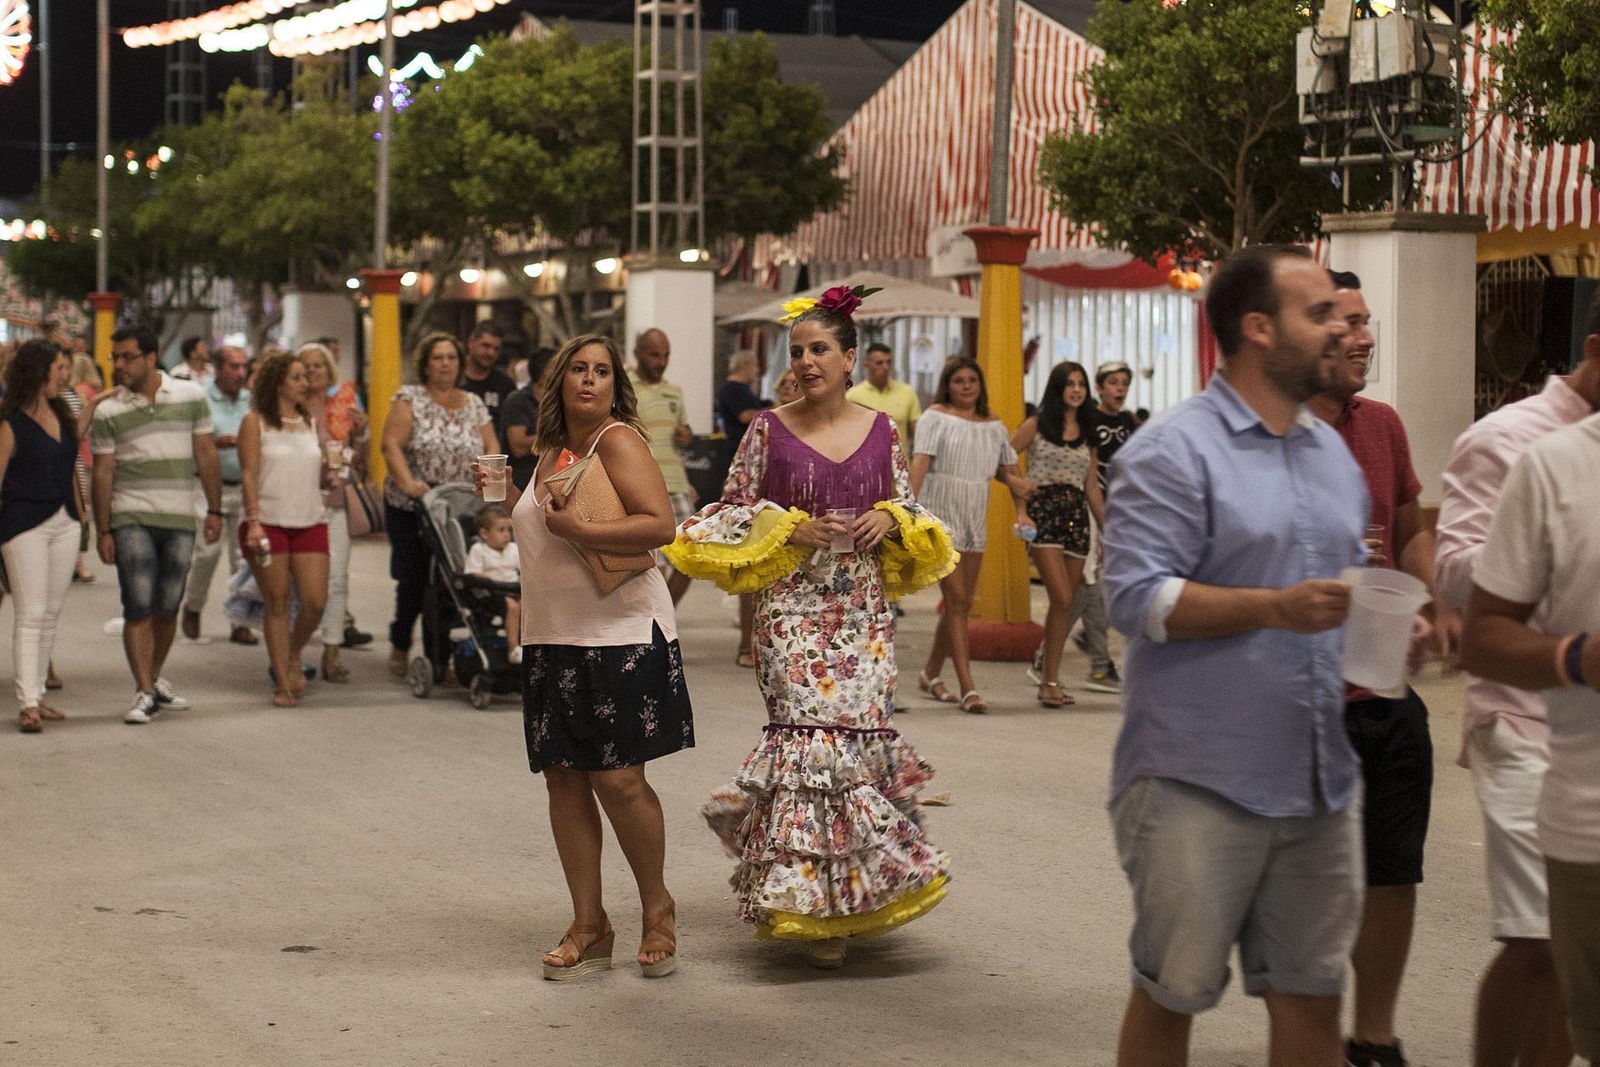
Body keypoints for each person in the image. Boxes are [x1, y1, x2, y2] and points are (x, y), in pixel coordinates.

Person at [1102, 245, 1371, 1066]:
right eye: (1319, 314)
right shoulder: (1173, 449)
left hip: (1319, 778)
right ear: (1258, 328)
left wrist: (1400, 631)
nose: (1341, 330)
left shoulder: (1331, 452)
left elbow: (1341, 593)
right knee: (1172, 992)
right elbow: (1135, 598)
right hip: (1198, 777)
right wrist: (1274, 608)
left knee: (1314, 997)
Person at [665, 285, 955, 969]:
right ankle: (814, 911)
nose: (805, 362)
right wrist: (791, 527)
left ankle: (849, 897)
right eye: (797, 352)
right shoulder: (767, 428)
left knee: (851, 751)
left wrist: (890, 515)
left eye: (819, 349)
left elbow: (911, 506)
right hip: (790, 612)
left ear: (850, 358)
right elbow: (725, 513)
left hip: (862, 612)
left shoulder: (883, 430)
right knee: (808, 746)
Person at [475, 334, 692, 981]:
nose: (590, 379)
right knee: (564, 778)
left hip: (621, 631)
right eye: (578, 369)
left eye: (601, 370)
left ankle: (657, 908)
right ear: (558, 381)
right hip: (552, 634)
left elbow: (660, 525)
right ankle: (589, 923)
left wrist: (581, 529)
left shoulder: (618, 441)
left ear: (614, 384)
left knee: (619, 780)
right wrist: (501, 497)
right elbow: (541, 532)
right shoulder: (548, 450)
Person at [1436, 298, 1600, 1067]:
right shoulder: (1512, 440)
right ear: (1593, 349)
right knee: (1539, 939)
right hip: (1521, 716)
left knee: (1561, 952)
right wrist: (1535, 549)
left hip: (1569, 711)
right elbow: (1455, 571)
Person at [1307, 271, 1437, 1067]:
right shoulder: (1271, 433)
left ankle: (1375, 1036)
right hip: (1299, 700)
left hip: (1383, 688)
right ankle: (1309, 1034)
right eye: (1348, 322)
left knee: (1393, 872)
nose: (1365, 338)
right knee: (1312, 884)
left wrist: (1427, 599)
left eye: (1367, 322)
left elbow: (1411, 521)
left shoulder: (1382, 424)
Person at [91, 327, 223, 725]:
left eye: (126, 357)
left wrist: (215, 509)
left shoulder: (190, 396)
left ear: (151, 358)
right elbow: (103, 472)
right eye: (115, 357)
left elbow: (206, 453)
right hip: (130, 515)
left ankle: (152, 678)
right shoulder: (108, 410)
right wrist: (103, 529)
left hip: (179, 515)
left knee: (168, 606)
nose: (118, 365)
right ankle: (144, 689)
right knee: (137, 604)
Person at [911, 356, 1033, 714]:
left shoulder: (994, 426)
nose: (966, 386)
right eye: (958, 380)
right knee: (958, 598)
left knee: (960, 603)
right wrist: (906, 508)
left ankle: (931, 673)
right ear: (947, 385)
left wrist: (1021, 508)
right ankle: (968, 687)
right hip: (940, 514)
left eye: (972, 380)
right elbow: (921, 462)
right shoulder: (935, 416)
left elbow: (1008, 470)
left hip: (973, 516)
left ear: (980, 386)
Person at [381, 333, 496, 677]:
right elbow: (391, 445)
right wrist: (408, 484)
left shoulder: (474, 403)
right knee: (414, 579)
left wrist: (489, 483)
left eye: (451, 357)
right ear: (426, 365)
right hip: (413, 504)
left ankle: (440, 654)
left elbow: (491, 447)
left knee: (451, 581)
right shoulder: (409, 399)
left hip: (458, 506)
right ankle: (401, 642)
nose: (446, 364)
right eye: (438, 358)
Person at [238, 351, 330, 707]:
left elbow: (317, 468)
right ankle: (282, 682)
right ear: (277, 384)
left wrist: (331, 473)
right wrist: (253, 520)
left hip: (310, 517)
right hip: (268, 520)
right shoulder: (255, 422)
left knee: (315, 602)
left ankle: (292, 652)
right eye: (297, 377)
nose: (306, 383)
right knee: (277, 601)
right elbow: (249, 473)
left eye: (306, 376)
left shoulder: (309, 421)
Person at [0, 341, 84, 732]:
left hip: (65, 522)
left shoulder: (63, 414)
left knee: (50, 614)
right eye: (60, 368)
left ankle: (37, 694)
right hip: (24, 525)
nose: (65, 375)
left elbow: (71, 467)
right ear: (38, 371)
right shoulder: (9, 422)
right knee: (31, 614)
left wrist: (83, 518)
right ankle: (28, 704)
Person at [1012, 362, 1104, 709]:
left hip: (1077, 516)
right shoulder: (1037, 424)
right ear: (1057, 388)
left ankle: (1049, 679)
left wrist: (1107, 530)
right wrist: (1020, 501)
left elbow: (1091, 485)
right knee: (1063, 598)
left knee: (1064, 603)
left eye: (1081, 384)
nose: (1077, 390)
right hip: (1045, 514)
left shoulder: (1087, 429)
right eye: (1070, 384)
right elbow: (1005, 457)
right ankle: (1047, 677)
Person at [299, 342, 368, 684]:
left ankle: (332, 649)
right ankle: (292, 652)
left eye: (319, 365)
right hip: (297, 501)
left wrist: (361, 433)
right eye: (307, 366)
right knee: (298, 583)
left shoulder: (342, 405)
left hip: (336, 499)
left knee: (337, 577)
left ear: (330, 372)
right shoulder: (289, 408)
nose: (313, 371)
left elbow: (358, 461)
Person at [1069, 360, 1139, 694]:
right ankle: (1089, 659)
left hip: (1120, 510)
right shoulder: (1090, 421)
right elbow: (1089, 477)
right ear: (1099, 389)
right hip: (1092, 511)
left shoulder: (1128, 422)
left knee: (1115, 580)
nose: (1120, 389)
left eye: (1124, 383)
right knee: (1089, 582)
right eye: (1113, 383)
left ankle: (1087, 641)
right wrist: (1101, 520)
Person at [180, 346, 256, 645]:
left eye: (244, 367)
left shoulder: (250, 400)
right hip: (209, 486)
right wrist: (214, 444)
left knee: (243, 557)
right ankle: (193, 605)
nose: (240, 373)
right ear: (218, 368)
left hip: (244, 486)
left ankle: (240, 621)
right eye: (234, 367)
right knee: (208, 552)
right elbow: (187, 440)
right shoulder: (202, 398)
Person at [628, 328, 697, 605]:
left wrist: (686, 435)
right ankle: (648, 618)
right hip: (638, 485)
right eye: (654, 355)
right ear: (637, 353)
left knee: (691, 556)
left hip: (676, 484)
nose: (661, 361)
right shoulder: (624, 389)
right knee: (647, 562)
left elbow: (684, 431)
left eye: (666, 355)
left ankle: (663, 613)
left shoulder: (674, 392)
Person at [464, 503, 521, 663]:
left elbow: (524, 569)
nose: (507, 535)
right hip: (492, 593)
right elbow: (473, 573)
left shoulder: (513, 549)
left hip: (515, 589)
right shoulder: (479, 550)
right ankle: (513, 649)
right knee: (512, 607)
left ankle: (529, 646)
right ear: (484, 534)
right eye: (501, 530)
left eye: (509, 530)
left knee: (528, 605)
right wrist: (492, 581)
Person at [68, 353, 103, 584]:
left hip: (80, 453)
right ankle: (78, 561)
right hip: (87, 453)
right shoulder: (93, 392)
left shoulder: (77, 392)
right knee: (82, 507)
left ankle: (76, 561)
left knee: (81, 506)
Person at [499, 346, 555, 492]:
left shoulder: (561, 401)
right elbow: (518, 446)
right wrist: (559, 437)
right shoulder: (518, 401)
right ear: (545, 371)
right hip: (523, 483)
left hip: (553, 478)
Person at [847, 341, 921, 448]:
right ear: (866, 364)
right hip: (868, 457)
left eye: (889, 362)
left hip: (899, 457)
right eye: (879, 363)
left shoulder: (907, 392)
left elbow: (917, 434)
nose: (885, 367)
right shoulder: (853, 396)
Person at [715, 350, 768, 461]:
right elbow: (745, 416)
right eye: (755, 366)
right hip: (739, 449)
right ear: (746, 365)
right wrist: (774, 411)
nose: (757, 370)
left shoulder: (744, 389)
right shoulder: (730, 389)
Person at [460, 322, 516, 425]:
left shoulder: (505, 385)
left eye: (496, 349)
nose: (491, 353)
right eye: (486, 346)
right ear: (471, 342)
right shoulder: (452, 379)